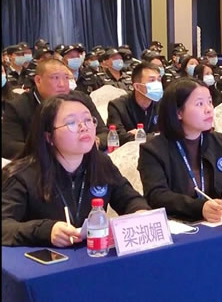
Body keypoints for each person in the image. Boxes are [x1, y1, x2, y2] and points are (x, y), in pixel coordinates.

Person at [2, 93, 150, 247]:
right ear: (48, 137)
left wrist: (139, 212)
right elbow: (4, 225)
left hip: (94, 253)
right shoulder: (21, 175)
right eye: (71, 123)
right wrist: (45, 231)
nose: (84, 127)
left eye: (88, 120)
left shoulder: (101, 163)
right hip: (42, 258)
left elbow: (129, 199)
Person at [138, 78, 222, 222]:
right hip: (180, 225)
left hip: (220, 223)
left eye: (210, 102)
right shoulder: (153, 150)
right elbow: (157, 196)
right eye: (200, 104)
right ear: (178, 112)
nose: (209, 109)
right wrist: (199, 208)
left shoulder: (220, 142)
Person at [2, 59, 110, 158]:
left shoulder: (81, 100)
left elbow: (104, 133)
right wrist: (54, 150)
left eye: (66, 78)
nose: (62, 84)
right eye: (55, 78)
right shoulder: (18, 106)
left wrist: (96, 141)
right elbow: (8, 146)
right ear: (38, 80)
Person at [107, 62, 162, 145]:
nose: (157, 84)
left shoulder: (163, 104)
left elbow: (170, 134)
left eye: (159, 80)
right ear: (137, 86)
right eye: (152, 80)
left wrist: (139, 136)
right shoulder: (117, 106)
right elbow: (118, 138)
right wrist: (155, 136)